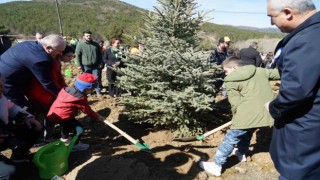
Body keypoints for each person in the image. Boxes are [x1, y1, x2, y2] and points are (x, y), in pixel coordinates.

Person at [265, 0, 320, 179]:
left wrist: (273, 107)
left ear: (288, 13)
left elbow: (295, 91)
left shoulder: (306, 39)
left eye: (271, 17)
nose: (271, 23)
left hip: (306, 134)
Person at [199, 58, 280, 176]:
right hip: (268, 112)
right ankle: (241, 153)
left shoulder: (231, 80)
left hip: (246, 114)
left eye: (226, 71)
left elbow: (235, 103)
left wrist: (236, 118)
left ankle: (216, 165)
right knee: (248, 132)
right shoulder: (260, 70)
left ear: (234, 68)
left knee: (231, 138)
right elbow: (279, 73)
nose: (225, 74)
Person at [0, 34, 66, 109]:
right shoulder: (41, 59)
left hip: (6, 73)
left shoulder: (28, 44)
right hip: (7, 83)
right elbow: (48, 84)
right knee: (22, 109)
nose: (61, 54)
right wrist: (65, 96)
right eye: (60, 51)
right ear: (48, 48)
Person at [25, 45, 75, 141]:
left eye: (72, 56)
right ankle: (39, 139)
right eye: (68, 56)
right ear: (60, 54)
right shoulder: (51, 64)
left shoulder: (57, 63)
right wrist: (62, 96)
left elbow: (60, 80)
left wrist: (67, 91)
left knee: (49, 116)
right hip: (39, 95)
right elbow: (52, 83)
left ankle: (48, 135)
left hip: (45, 94)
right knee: (46, 116)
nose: (70, 58)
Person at [47, 73, 104, 151]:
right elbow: (87, 110)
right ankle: (75, 145)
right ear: (84, 88)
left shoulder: (67, 89)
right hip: (64, 116)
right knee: (79, 128)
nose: (92, 91)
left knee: (66, 125)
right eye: (92, 89)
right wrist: (97, 116)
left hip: (54, 113)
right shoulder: (79, 98)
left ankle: (64, 138)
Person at [75, 31, 103, 96]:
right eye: (87, 36)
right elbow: (77, 55)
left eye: (90, 35)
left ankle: (98, 91)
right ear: (84, 37)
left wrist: (100, 62)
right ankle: (88, 91)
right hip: (85, 66)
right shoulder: (80, 45)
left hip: (95, 65)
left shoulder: (96, 44)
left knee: (97, 78)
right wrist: (79, 65)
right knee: (86, 79)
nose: (88, 37)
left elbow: (100, 54)